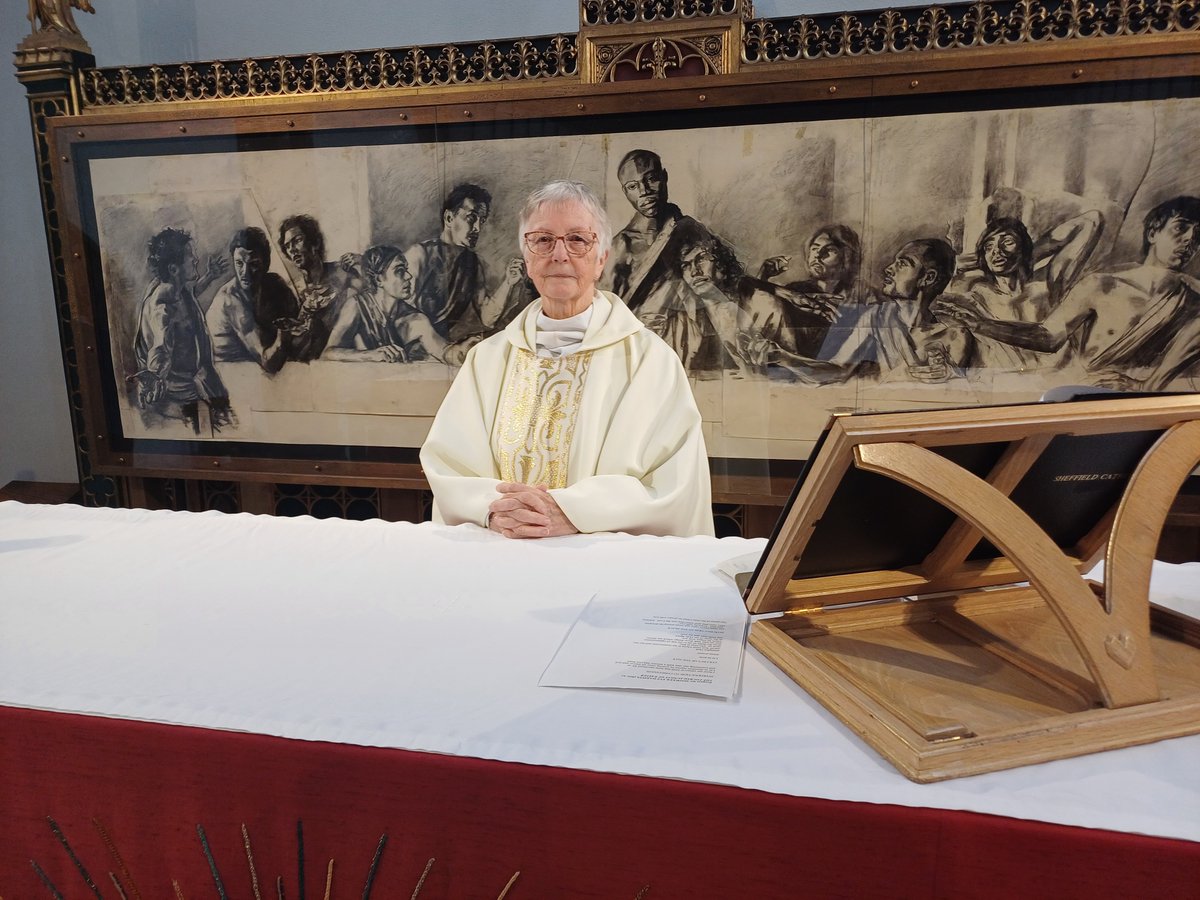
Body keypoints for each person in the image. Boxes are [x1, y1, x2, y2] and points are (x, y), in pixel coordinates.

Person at [420, 180, 714, 538]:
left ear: (601, 258)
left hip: (602, 571)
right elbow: (451, 465)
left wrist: (571, 512)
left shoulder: (651, 363)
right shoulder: (486, 361)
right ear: (527, 258)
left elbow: (674, 484)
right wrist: (496, 511)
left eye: (577, 239)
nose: (559, 254)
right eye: (542, 239)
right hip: (500, 557)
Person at [937, 196, 1200, 385]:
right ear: (1154, 232)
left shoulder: (1193, 301)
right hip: (1069, 390)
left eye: (1198, 236)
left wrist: (1026, 254)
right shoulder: (1102, 285)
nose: (1189, 240)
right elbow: (1048, 337)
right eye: (1180, 228)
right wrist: (980, 322)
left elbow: (1091, 221)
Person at [748, 238, 969, 384]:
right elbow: (835, 371)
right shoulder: (875, 317)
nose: (888, 269)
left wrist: (950, 375)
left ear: (927, 278)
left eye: (902, 263)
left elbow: (965, 402)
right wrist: (783, 358)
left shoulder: (955, 335)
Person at [944, 211, 1102, 370]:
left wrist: (1029, 253)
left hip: (1057, 379)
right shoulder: (977, 294)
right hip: (1009, 383)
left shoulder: (1047, 281)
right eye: (988, 246)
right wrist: (979, 260)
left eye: (1007, 242)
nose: (996, 251)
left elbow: (1091, 220)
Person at [130, 227, 232, 431]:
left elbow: (191, 293)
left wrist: (209, 277)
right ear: (174, 269)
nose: (195, 259)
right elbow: (160, 346)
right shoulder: (162, 306)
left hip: (202, 386)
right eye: (190, 256)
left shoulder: (176, 288)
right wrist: (156, 375)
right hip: (182, 400)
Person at [404, 183, 529, 343]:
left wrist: (508, 283)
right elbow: (399, 314)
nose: (477, 228)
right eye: (471, 218)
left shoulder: (472, 264)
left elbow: (487, 319)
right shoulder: (419, 255)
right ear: (449, 218)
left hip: (443, 350)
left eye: (481, 221)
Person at [605, 149, 716, 315]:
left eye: (651, 179)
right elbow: (606, 308)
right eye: (633, 186)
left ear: (664, 177)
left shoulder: (690, 228)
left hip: (697, 328)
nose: (644, 191)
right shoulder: (621, 246)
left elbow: (722, 287)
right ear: (625, 192)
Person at [750, 225, 863, 360]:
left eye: (830, 250)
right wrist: (763, 277)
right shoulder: (795, 290)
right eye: (814, 248)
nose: (818, 254)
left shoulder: (857, 297)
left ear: (847, 257)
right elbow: (756, 319)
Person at [322, 244, 448, 362]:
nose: (409, 276)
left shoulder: (415, 319)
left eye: (406, 269)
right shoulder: (357, 306)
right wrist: (371, 355)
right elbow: (327, 353)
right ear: (379, 279)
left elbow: (445, 352)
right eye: (399, 271)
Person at [206, 227, 298, 372]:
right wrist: (285, 332)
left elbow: (298, 321)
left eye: (253, 264)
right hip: (233, 374)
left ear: (265, 263)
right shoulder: (230, 300)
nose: (245, 273)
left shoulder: (275, 284)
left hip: (260, 370)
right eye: (239, 263)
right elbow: (269, 363)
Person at [275, 214, 354, 361]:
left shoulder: (341, 272)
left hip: (342, 354)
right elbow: (290, 343)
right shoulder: (291, 290)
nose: (292, 250)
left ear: (315, 242)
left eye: (297, 240)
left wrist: (362, 261)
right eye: (287, 246)